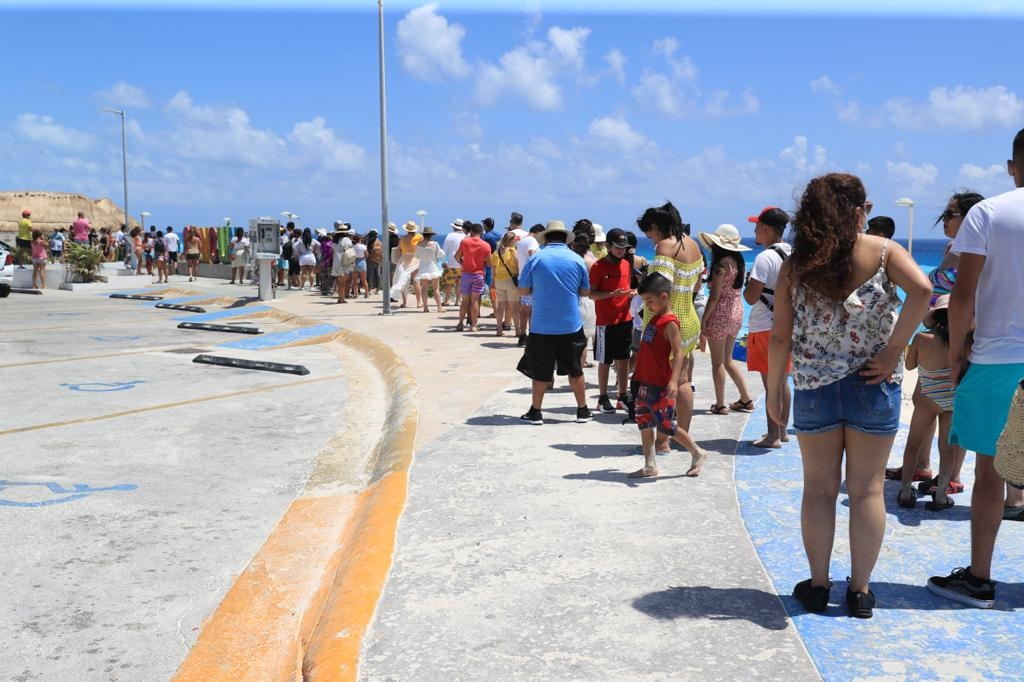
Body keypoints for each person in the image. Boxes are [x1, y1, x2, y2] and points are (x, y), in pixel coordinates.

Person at [767, 172, 930, 619]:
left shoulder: (796, 263)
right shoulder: (883, 251)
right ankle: (860, 591)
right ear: (859, 211)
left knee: (818, 491)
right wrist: (895, 347)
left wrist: (772, 392)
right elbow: (924, 290)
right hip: (873, 385)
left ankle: (818, 585)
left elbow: (780, 337)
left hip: (815, 388)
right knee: (868, 492)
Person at [928, 128, 1024, 609]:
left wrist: (956, 355)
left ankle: (980, 578)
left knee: (990, 471)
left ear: (1012, 166)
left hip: (997, 360)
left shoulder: (989, 213)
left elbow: (961, 296)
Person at [886, 192, 985, 485]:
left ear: (970, 217)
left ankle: (951, 475)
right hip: (936, 335)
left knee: (957, 411)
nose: (944, 220)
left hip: (962, 339)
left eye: (950, 214)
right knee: (924, 400)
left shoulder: (978, 251)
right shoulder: (954, 249)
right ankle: (924, 467)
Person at [628, 272, 707, 478]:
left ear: (664, 297)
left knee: (667, 425)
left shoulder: (670, 322)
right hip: (644, 379)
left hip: (659, 382)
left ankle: (697, 452)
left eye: (649, 301)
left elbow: (679, 352)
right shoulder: (654, 318)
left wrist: (673, 380)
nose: (646, 305)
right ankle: (650, 464)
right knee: (644, 421)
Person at [517, 220, 592, 425]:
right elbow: (585, 291)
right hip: (570, 323)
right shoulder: (576, 260)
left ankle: (536, 411)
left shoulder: (536, 259)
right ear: (565, 239)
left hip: (542, 325)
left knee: (541, 372)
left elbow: (523, 290)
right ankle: (582, 410)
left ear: (547, 238)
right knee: (575, 369)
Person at [895, 296, 966, 511]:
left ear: (934, 317)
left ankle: (906, 492)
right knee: (946, 448)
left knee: (914, 443)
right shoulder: (963, 341)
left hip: (928, 398)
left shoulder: (922, 338)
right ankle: (941, 495)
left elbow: (909, 366)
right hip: (952, 400)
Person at [636, 202, 703, 432]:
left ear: (656, 226)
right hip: (689, 319)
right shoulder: (693, 244)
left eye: (650, 234)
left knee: (659, 383)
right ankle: (681, 434)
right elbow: (697, 286)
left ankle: (663, 440)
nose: (652, 240)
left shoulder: (665, 247)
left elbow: (659, 289)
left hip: (667, 324)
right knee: (683, 381)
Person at [744, 207, 793, 447]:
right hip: (786, 325)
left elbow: (752, 297)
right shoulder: (791, 253)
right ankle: (782, 430)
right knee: (783, 381)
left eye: (757, 226)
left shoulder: (764, 258)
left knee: (769, 383)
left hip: (765, 326)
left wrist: (746, 287)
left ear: (765, 228)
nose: (754, 230)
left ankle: (772, 435)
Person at [699, 224, 754, 415]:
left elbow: (714, 297)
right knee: (728, 360)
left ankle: (720, 404)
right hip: (737, 310)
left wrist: (704, 320)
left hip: (721, 312)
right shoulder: (739, 263)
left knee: (717, 363)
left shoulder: (720, 266)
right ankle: (746, 398)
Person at [589, 228, 634, 413]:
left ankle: (622, 396)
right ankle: (602, 398)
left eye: (623, 248)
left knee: (623, 359)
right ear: (608, 246)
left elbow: (627, 287)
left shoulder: (626, 264)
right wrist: (610, 295)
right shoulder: (598, 267)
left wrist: (632, 294)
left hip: (625, 318)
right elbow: (591, 294)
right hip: (606, 322)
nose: (621, 251)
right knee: (605, 361)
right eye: (617, 247)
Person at [454, 222, 490, 331]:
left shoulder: (465, 242)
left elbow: (457, 256)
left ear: (471, 232)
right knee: (475, 300)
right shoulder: (486, 245)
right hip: (479, 274)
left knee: (465, 300)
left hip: (466, 274)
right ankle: (473, 326)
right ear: (481, 233)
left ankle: (460, 323)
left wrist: (463, 264)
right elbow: (488, 263)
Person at [516, 223, 545, 347]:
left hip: (522, 279)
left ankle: (523, 335)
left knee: (524, 310)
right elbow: (532, 254)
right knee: (533, 310)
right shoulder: (532, 241)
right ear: (538, 232)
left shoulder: (521, 242)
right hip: (532, 280)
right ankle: (533, 336)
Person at [491, 230, 520, 337]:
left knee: (500, 307)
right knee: (514, 308)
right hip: (511, 282)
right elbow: (518, 267)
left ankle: (499, 330)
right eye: (515, 239)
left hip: (499, 281)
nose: (516, 241)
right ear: (511, 241)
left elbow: (493, 270)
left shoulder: (496, 252)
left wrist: (492, 283)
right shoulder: (513, 252)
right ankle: (517, 330)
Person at [390, 221, 423, 307]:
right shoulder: (419, 237)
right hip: (415, 259)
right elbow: (423, 248)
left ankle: (404, 302)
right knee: (416, 281)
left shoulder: (402, 239)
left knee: (403, 280)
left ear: (407, 230)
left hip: (404, 260)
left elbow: (399, 249)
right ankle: (419, 302)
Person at [415, 226, 445, 312]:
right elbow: (441, 254)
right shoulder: (434, 244)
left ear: (423, 235)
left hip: (423, 267)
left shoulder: (419, 244)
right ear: (431, 235)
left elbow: (416, 256)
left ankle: (425, 308)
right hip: (433, 267)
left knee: (424, 288)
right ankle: (439, 307)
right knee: (436, 289)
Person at [441, 219, 466, 307]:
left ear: (453, 227)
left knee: (449, 282)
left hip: (451, 262)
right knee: (459, 283)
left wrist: (443, 261)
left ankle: (447, 300)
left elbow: (444, 250)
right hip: (462, 263)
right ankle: (458, 301)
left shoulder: (450, 235)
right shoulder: (465, 236)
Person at [366, 229, 382, 294]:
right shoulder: (379, 242)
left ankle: (370, 288)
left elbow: (369, 252)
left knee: (371, 275)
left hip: (371, 260)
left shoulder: (370, 242)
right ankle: (377, 288)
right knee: (377, 275)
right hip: (378, 260)